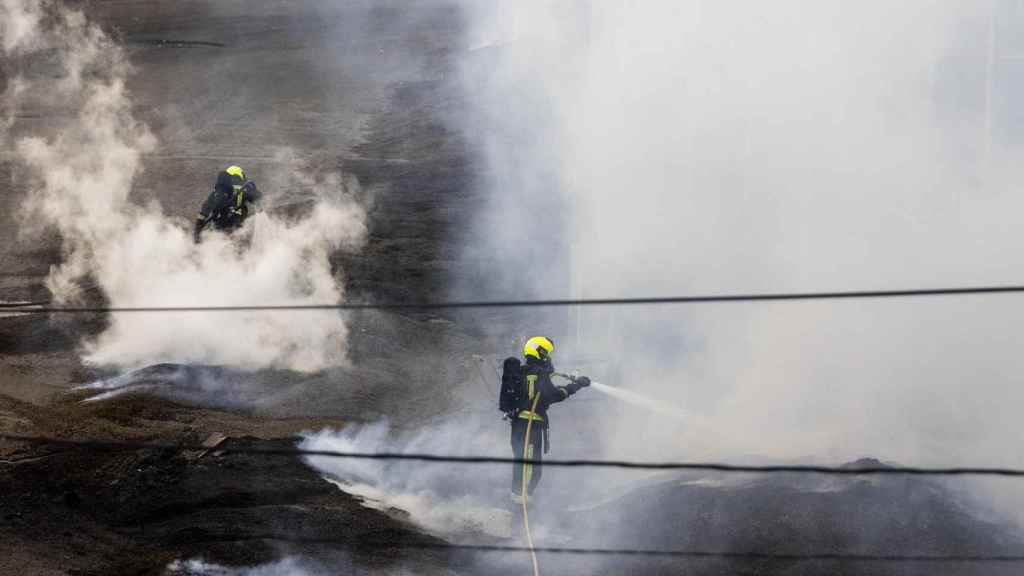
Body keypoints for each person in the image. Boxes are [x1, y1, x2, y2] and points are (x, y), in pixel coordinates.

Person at [509, 336, 589, 503]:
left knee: (522, 463)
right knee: (531, 468)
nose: (548, 358)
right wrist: (577, 386)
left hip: (519, 425)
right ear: (540, 353)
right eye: (546, 354)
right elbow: (554, 395)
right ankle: (520, 504)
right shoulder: (539, 374)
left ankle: (518, 497)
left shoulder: (523, 372)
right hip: (531, 426)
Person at [193, 165, 262, 243]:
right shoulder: (246, 188)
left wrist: (198, 226)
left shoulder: (220, 189)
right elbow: (258, 198)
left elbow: (206, 207)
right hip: (238, 224)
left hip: (220, 223)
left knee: (211, 241)